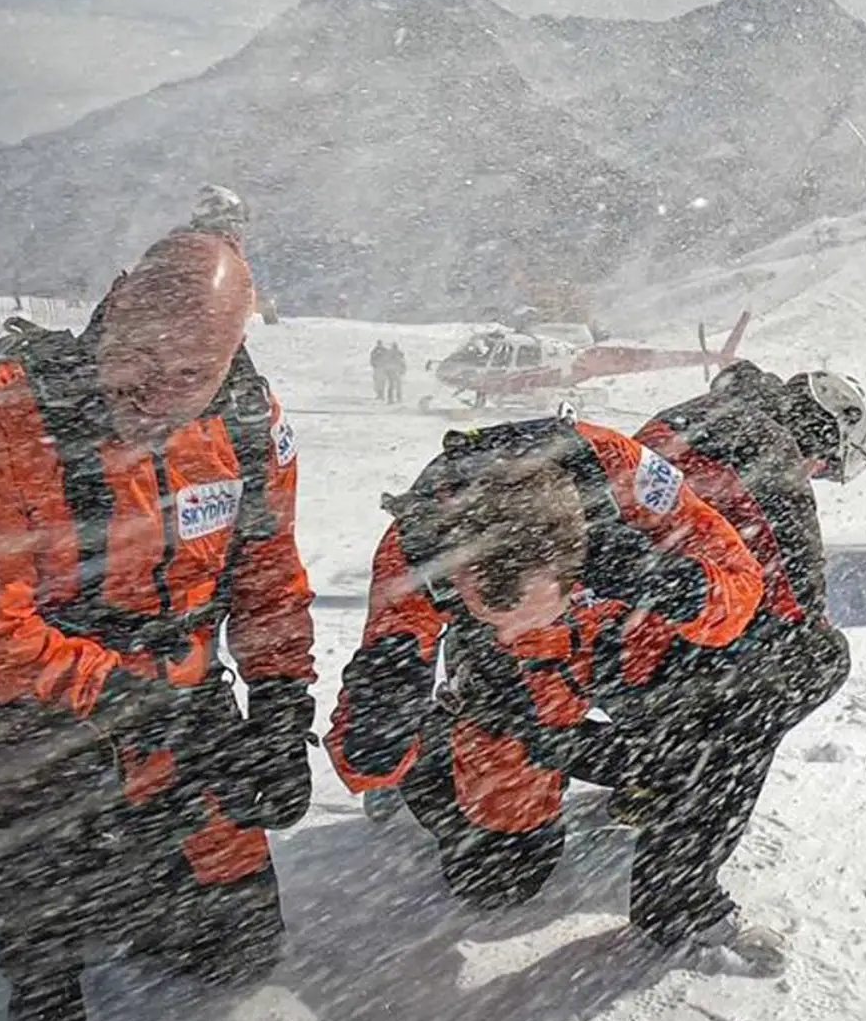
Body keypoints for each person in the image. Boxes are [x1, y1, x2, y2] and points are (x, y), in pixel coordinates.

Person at [0, 208, 317, 1021]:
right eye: (138, 357)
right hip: (41, 714)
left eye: (185, 375)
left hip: (184, 703)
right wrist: (137, 700)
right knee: (54, 935)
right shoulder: (0, 418)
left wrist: (278, 707)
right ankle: (35, 903)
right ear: (116, 299)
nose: (150, 392)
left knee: (234, 949)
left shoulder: (250, 423)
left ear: (231, 357)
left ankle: (130, 874)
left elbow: (268, 580)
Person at [324, 415, 795, 970]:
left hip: (623, 622)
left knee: (756, 691)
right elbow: (361, 755)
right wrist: (382, 724)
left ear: (575, 572)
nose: (507, 631)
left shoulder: (624, 478)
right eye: (489, 614)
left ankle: (678, 884)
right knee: (498, 878)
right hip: (512, 676)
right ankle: (441, 744)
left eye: (518, 618)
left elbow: (741, 589)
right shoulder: (417, 549)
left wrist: (660, 580)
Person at [601, 363, 866, 884]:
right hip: (628, 644)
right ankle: (678, 892)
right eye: (823, 462)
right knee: (814, 659)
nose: (814, 472)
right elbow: (799, 605)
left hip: (582, 624)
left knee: (726, 634)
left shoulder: (704, 415)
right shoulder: (765, 452)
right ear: (821, 429)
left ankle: (655, 772)